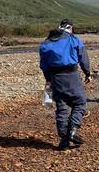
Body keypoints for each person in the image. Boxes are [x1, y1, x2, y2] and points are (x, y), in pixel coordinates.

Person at [39, 19, 91, 150]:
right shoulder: (73, 39)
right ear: (70, 28)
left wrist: (48, 79)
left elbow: (44, 66)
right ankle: (73, 131)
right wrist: (87, 73)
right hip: (71, 75)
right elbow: (83, 57)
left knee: (61, 107)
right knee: (80, 102)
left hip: (55, 77)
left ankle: (63, 140)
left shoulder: (46, 43)